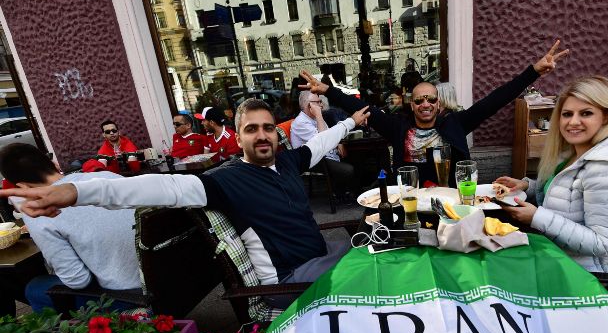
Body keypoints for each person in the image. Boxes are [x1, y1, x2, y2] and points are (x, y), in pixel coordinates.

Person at [1, 100, 371, 310]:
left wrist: (350, 123)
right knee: (381, 263)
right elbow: (160, 187)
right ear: (237, 137)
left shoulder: (288, 160)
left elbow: (321, 143)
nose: (262, 135)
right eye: (251, 129)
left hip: (322, 257)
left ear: (278, 132)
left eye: (268, 128)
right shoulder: (224, 181)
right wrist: (77, 193)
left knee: (386, 244)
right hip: (289, 282)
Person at [301, 39, 569, 187]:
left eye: (430, 99)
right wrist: (327, 90)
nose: (425, 104)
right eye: (419, 101)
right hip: (409, 197)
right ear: (412, 105)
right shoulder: (398, 127)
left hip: (450, 196)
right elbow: (363, 109)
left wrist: (532, 72)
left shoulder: (455, 123)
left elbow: (494, 100)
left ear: (439, 104)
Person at [494, 76, 608, 275]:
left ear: (606, 116)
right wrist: (528, 186)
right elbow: (568, 195)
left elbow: (601, 243)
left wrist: (537, 217)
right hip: (561, 257)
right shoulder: (573, 152)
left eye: (586, 113)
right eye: (567, 114)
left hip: (594, 277)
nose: (573, 122)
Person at [0, 143, 141, 312]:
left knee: (34, 287)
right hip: (167, 275)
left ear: (22, 186)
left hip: (130, 296)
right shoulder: (108, 176)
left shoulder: (40, 211)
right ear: (52, 164)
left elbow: (77, 280)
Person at [292, 91, 358, 202]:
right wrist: (318, 115)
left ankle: (353, 192)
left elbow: (329, 134)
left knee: (357, 156)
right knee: (348, 170)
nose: (321, 105)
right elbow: (324, 138)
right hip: (313, 160)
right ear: (309, 105)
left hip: (325, 155)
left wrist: (338, 143)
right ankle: (342, 195)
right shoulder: (300, 123)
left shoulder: (314, 119)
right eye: (318, 102)